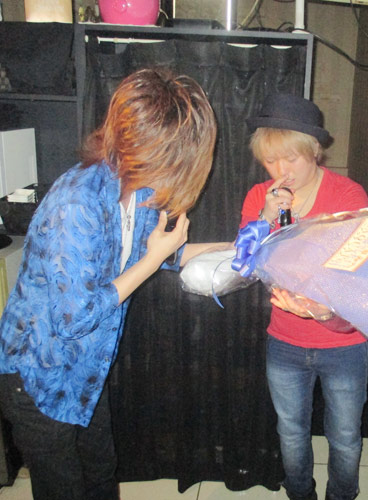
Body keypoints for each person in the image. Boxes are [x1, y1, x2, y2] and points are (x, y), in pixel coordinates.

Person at [0, 67, 231, 500]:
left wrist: (237, 248)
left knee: (102, 476)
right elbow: (75, 318)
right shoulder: (76, 203)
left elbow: (168, 255)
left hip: (86, 370)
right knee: (64, 490)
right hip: (36, 376)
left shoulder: (137, 191)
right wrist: (154, 257)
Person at [240, 93, 368, 500]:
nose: (281, 171)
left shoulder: (348, 195)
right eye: (270, 161)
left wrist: (323, 307)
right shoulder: (259, 197)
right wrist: (265, 217)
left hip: (343, 341)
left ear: (313, 149)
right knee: (291, 432)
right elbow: (244, 266)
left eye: (290, 158)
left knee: (345, 436)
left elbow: (356, 270)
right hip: (285, 339)